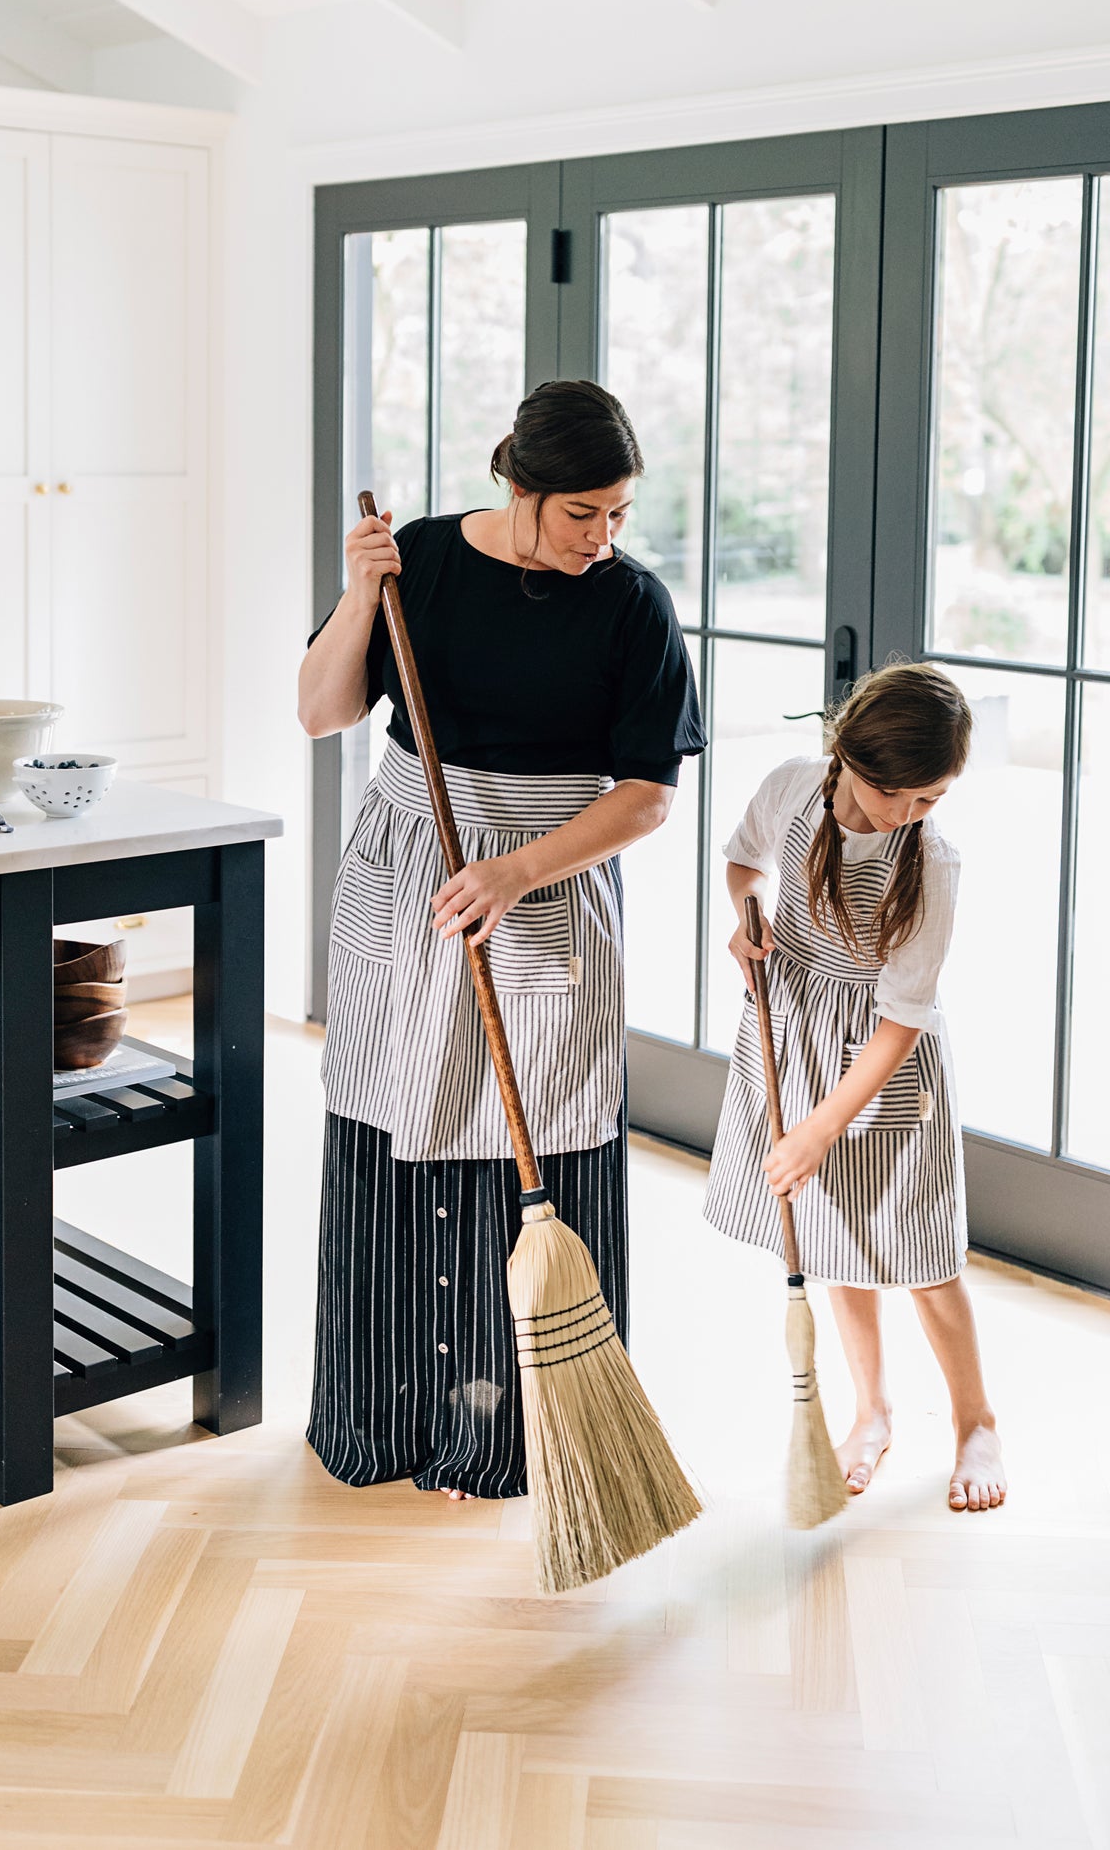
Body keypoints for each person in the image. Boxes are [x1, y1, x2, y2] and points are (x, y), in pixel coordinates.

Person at [298, 379, 706, 1501]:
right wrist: (357, 596)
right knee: (392, 1105)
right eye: (582, 513)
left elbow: (646, 796)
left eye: (619, 512)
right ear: (517, 486)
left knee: (545, 1122)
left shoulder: (631, 604)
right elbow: (323, 710)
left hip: (546, 872)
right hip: (406, 865)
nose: (603, 537)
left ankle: (525, 1436)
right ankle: (380, 1417)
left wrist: (515, 870)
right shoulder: (419, 560)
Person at [702, 663, 1006, 1512]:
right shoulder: (791, 790)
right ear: (844, 755)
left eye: (929, 798)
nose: (906, 814)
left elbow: (902, 1017)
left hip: (882, 1070)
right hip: (796, 1042)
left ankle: (974, 1419)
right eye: (892, 794)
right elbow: (741, 861)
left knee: (922, 1254)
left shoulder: (931, 864)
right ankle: (870, 1410)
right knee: (841, 1242)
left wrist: (817, 1130)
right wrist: (749, 915)